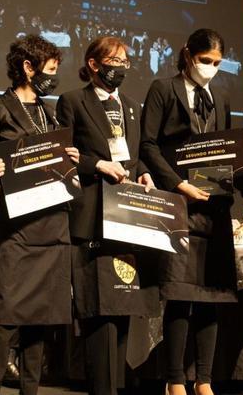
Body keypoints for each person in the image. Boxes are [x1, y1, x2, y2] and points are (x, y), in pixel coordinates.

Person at [0, 34, 78, 395]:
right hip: (20, 230)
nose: (54, 78)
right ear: (27, 67)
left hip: (55, 227)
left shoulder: (50, 113)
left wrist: (72, 160)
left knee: (40, 322)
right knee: (4, 320)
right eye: (50, 70)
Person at [56, 36, 159, 395]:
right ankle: (101, 387)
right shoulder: (72, 101)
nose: (122, 66)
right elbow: (63, 155)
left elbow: (136, 152)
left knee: (123, 300)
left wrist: (144, 171)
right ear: (95, 64)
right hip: (91, 216)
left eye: (126, 60)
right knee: (98, 307)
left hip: (128, 216)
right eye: (114, 60)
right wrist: (97, 164)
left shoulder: (133, 105)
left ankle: (117, 386)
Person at [140, 28, 238, 395]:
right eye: (204, 61)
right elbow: (148, 145)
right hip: (179, 200)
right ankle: (175, 379)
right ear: (187, 55)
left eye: (216, 63)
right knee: (180, 294)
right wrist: (178, 184)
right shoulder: (163, 89)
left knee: (211, 294)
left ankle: (205, 379)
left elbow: (225, 148)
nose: (210, 68)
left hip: (213, 204)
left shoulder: (222, 96)